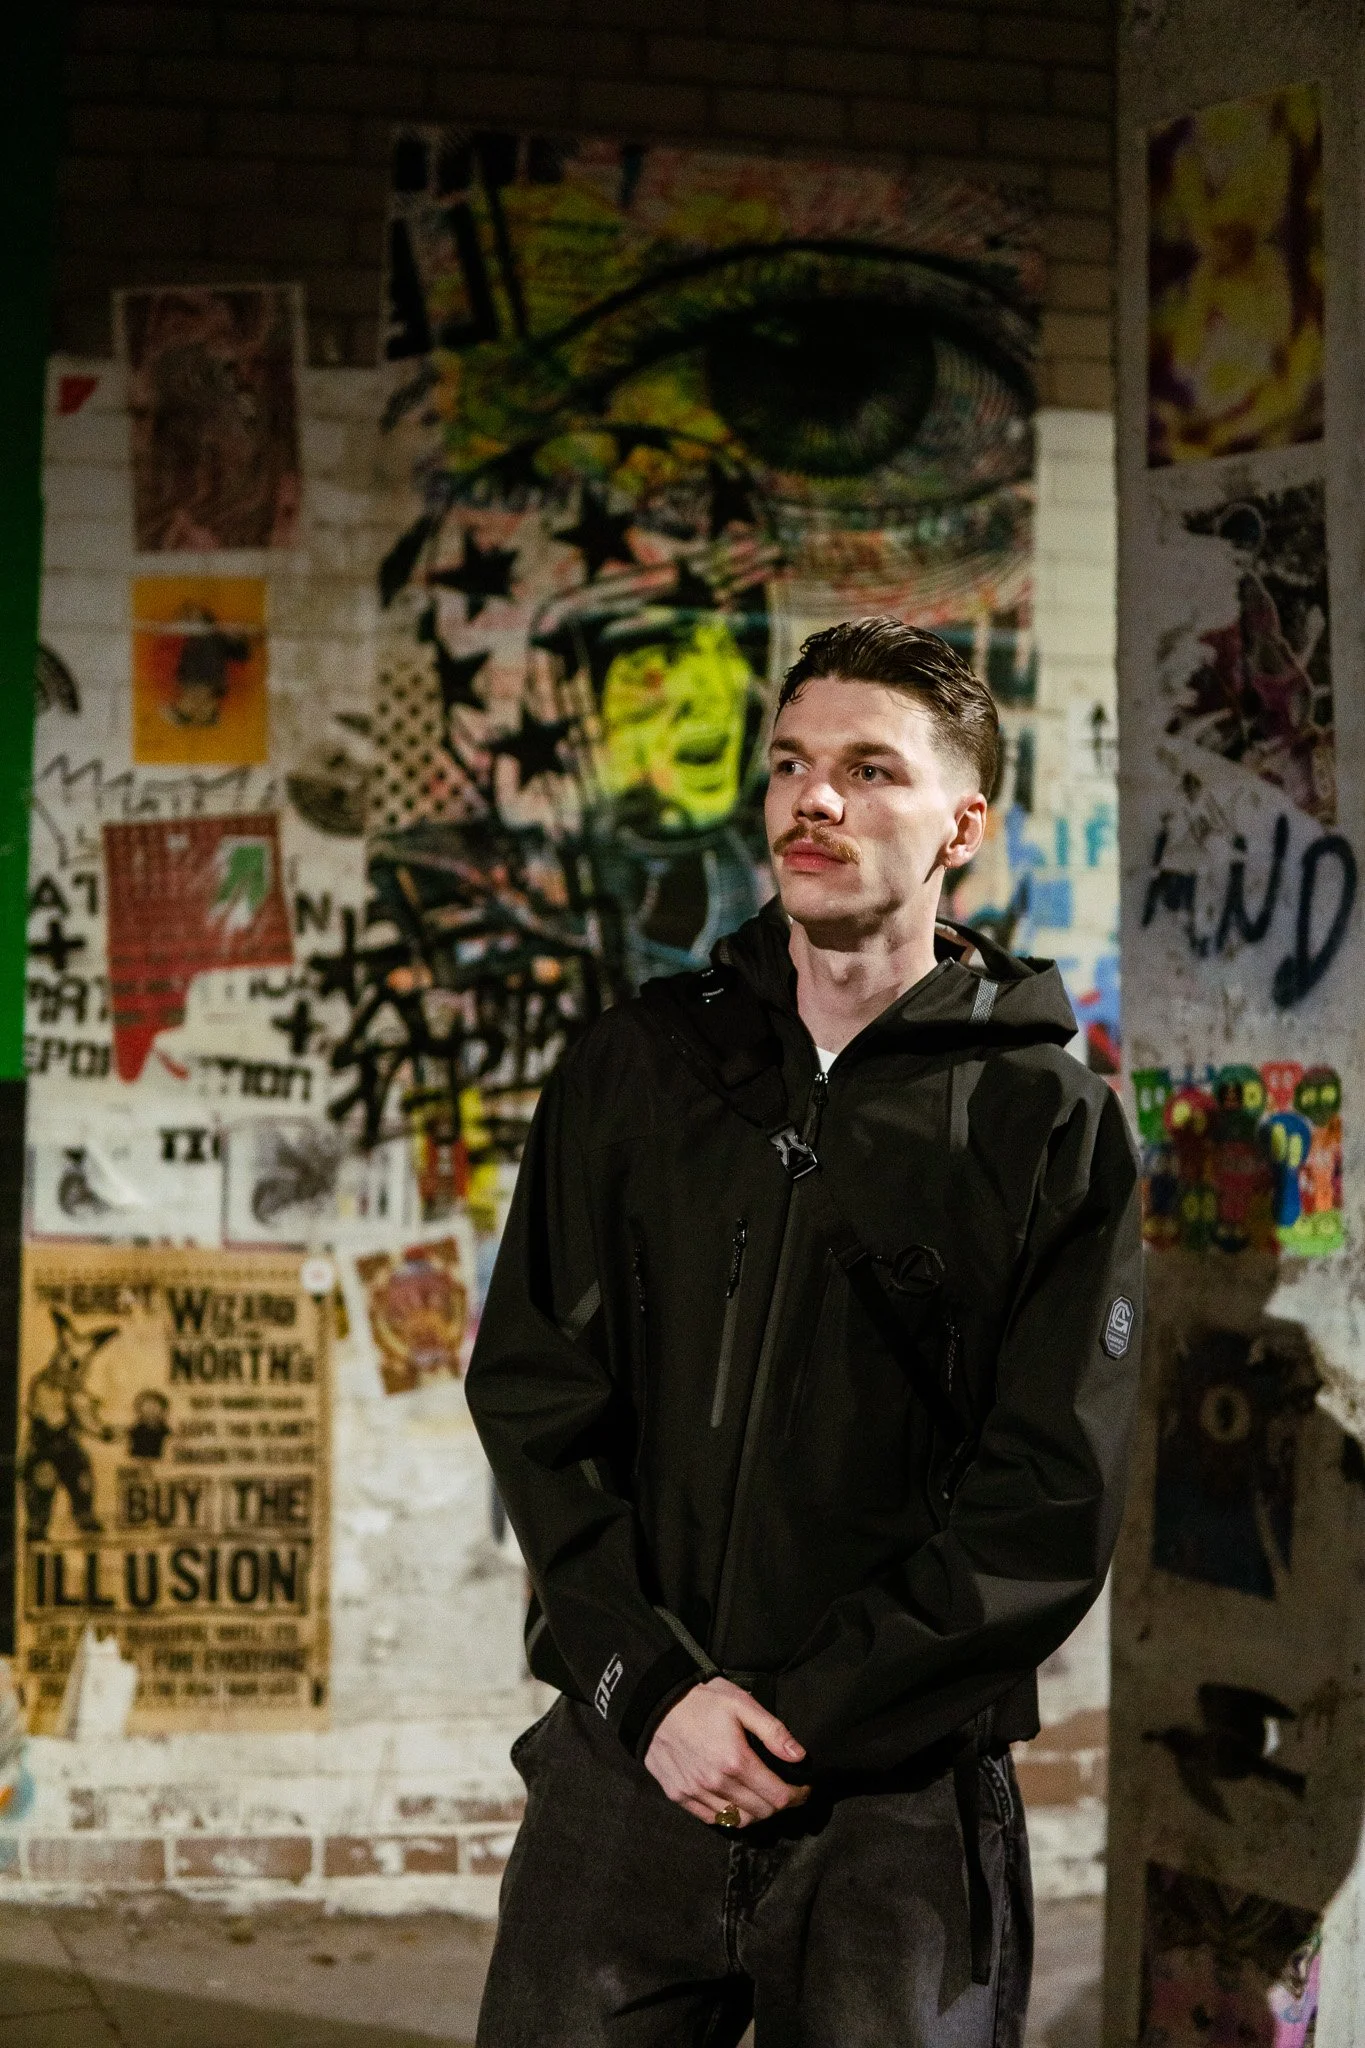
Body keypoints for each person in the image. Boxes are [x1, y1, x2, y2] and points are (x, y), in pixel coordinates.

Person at [466, 616, 1144, 2047]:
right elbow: (534, 1400)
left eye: (866, 769)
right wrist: (651, 1692)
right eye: (789, 765)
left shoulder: (1045, 1124)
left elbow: (1047, 1500)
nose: (812, 799)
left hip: (896, 1815)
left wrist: (803, 1723)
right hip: (627, 1767)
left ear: (963, 823)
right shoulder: (635, 1071)